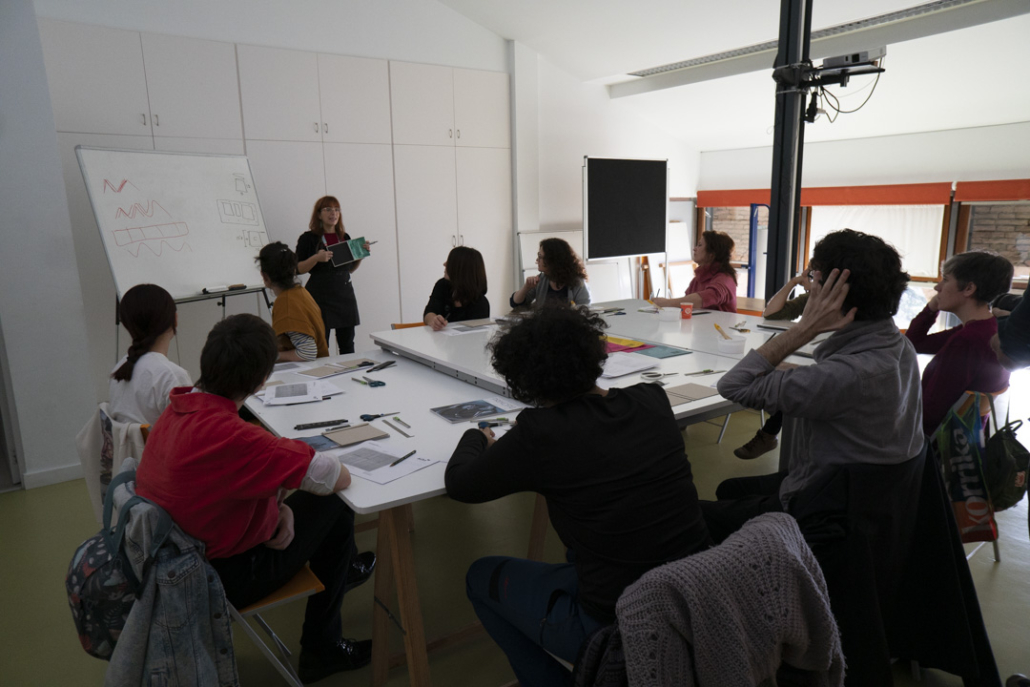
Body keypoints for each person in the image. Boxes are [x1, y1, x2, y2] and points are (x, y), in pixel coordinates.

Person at [444, 305, 711, 687]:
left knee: (479, 577)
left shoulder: (539, 435)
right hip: (693, 597)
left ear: (524, 380)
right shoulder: (652, 399)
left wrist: (475, 436)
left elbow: (460, 484)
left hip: (615, 622)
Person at [135, 314, 376, 683]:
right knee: (335, 502)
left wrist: (279, 508)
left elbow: (221, 488)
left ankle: (336, 594)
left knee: (319, 506)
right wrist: (282, 502)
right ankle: (322, 645)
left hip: (173, 562)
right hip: (220, 578)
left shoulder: (176, 410)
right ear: (262, 380)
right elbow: (335, 475)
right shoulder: (238, 439)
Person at [701, 229, 924, 544]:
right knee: (729, 489)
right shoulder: (898, 346)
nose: (809, 285)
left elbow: (734, 386)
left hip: (818, 508)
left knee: (691, 515)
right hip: (866, 498)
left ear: (833, 293)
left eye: (813, 278)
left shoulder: (844, 376)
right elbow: (843, 383)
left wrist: (805, 328)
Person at [906, 251, 1013, 435]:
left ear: (969, 288)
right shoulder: (990, 327)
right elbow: (915, 343)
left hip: (935, 442)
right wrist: (932, 307)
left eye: (946, 279)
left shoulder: (968, 340)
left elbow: (929, 413)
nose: (938, 287)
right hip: (968, 437)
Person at [733, 270, 812, 460]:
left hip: (830, 359)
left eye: (811, 274)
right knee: (782, 375)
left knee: (790, 380)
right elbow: (771, 314)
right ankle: (769, 434)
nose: (807, 278)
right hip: (811, 353)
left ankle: (769, 434)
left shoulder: (840, 302)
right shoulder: (811, 298)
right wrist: (793, 282)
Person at [108, 283, 191, 425]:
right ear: (175, 319)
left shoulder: (119, 370)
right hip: (159, 441)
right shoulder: (171, 376)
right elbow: (190, 433)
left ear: (127, 324)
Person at [296, 196, 369, 355]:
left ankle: (349, 370)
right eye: (328, 209)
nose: (333, 213)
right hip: (319, 295)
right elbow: (298, 269)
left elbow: (349, 269)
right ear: (318, 214)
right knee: (321, 345)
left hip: (344, 294)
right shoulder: (308, 238)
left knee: (347, 344)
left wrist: (360, 256)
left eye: (336, 209)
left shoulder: (344, 237)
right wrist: (316, 258)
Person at [258, 242, 329, 361]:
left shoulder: (286, 304)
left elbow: (307, 353)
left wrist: (269, 356)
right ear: (294, 270)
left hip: (309, 369)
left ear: (265, 276)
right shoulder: (300, 292)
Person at [653, 231, 738, 313]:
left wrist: (666, 303)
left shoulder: (726, 278)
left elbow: (706, 298)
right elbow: (686, 305)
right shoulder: (698, 279)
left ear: (711, 253)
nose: (694, 249)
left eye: (700, 245)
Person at [510, 237, 590, 308]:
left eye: (540, 256)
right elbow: (515, 303)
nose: (537, 260)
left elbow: (585, 311)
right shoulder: (541, 279)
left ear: (552, 260)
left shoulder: (579, 283)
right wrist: (526, 287)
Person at [423, 246, 489, 331]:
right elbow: (429, 311)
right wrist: (433, 320)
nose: (444, 264)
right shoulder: (442, 285)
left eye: (450, 261)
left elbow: (476, 335)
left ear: (460, 269)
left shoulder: (481, 304)